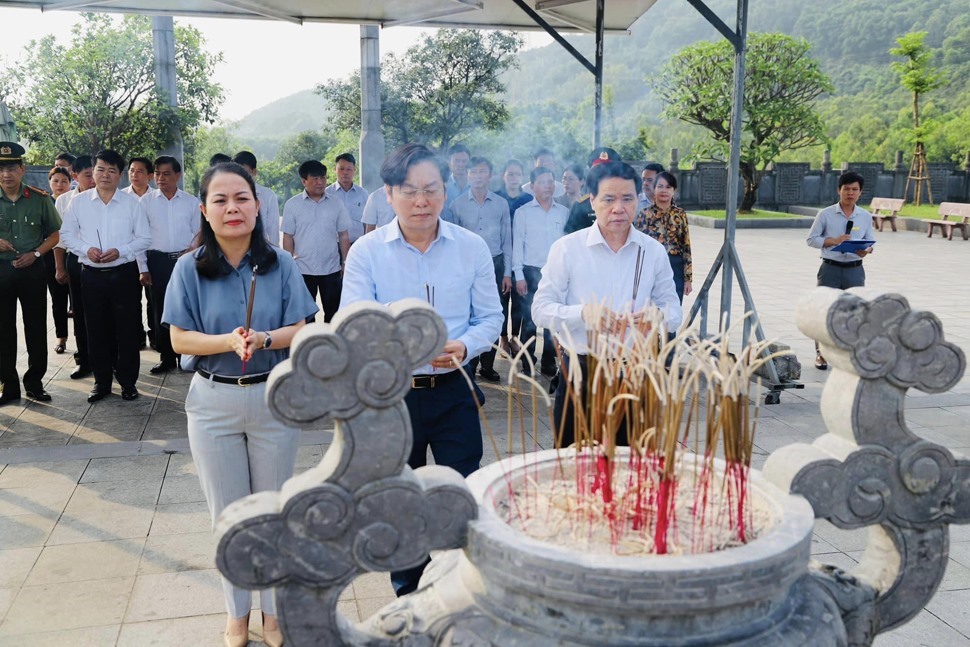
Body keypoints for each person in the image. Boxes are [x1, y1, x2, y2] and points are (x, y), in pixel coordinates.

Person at [164, 162, 317, 647]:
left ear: (257, 206)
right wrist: (227, 343)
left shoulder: (281, 263)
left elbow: (304, 326)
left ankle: (272, 611)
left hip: (274, 398)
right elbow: (178, 339)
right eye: (221, 200)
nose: (233, 208)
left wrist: (267, 336)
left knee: (272, 512)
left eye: (242, 199)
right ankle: (237, 611)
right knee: (228, 516)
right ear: (205, 211)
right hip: (212, 404)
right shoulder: (188, 268)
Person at [340, 143, 502, 596]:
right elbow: (351, 316)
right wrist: (404, 331)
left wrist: (465, 346)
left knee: (461, 493)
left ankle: (462, 591)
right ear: (388, 194)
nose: (421, 200)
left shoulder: (471, 248)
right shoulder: (367, 252)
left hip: (455, 389)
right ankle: (408, 596)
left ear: (445, 192)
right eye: (409, 190)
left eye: (431, 189)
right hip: (393, 396)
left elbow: (491, 316)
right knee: (401, 499)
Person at [532, 161, 682, 447]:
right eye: (608, 199)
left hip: (634, 373)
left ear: (638, 200)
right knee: (573, 469)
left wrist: (657, 316)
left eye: (627, 199)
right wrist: (583, 314)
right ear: (592, 200)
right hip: (581, 372)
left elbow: (673, 310)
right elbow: (540, 309)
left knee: (633, 468)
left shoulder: (653, 252)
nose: (618, 208)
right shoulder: (567, 249)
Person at [60, 150, 151, 403]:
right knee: (95, 330)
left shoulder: (132, 203)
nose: (105, 175)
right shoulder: (78, 203)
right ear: (92, 171)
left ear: (120, 175)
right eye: (100, 169)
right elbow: (66, 235)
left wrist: (120, 251)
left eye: (111, 171)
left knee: (127, 330)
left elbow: (145, 238)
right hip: (91, 275)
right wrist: (85, 250)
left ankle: (128, 382)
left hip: (123, 274)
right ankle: (101, 383)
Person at [0, 142, 62, 405]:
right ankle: (8, 386)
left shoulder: (40, 198)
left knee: (35, 327)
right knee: (2, 330)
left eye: (11, 168)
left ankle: (35, 383)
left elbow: (55, 235)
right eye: (1, 169)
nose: (6, 174)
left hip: (33, 269)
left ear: (22, 169)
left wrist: (36, 254)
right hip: (1, 270)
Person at [449, 156, 512, 382]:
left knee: (493, 312)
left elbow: (507, 241)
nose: (477, 176)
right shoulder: (456, 205)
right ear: (467, 175)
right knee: (470, 313)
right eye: (473, 172)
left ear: (490, 175)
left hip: (494, 263)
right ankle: (470, 364)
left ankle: (488, 365)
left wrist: (507, 272)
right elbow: (451, 243)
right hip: (465, 264)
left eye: (482, 171)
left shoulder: (501, 204)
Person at [138, 155, 201, 374]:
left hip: (185, 261)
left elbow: (199, 232)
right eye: (157, 174)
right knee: (161, 310)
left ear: (178, 175)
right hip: (157, 261)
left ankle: (187, 353)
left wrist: (191, 251)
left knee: (187, 306)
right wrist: (143, 268)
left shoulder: (191, 202)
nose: (160, 178)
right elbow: (140, 237)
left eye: (166, 174)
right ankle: (166, 357)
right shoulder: (145, 202)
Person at [807, 170, 874, 370]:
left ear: (860, 192)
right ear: (839, 190)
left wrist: (866, 250)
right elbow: (811, 239)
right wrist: (832, 241)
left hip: (855, 269)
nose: (850, 193)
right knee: (825, 311)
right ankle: (821, 354)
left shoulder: (865, 216)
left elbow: (869, 241)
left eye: (855, 189)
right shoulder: (826, 214)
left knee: (854, 313)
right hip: (830, 269)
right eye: (847, 189)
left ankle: (848, 354)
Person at [512, 166, 568, 377]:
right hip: (529, 270)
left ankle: (548, 361)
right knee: (529, 319)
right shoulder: (522, 213)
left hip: (555, 272)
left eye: (551, 181)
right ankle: (527, 362)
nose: (548, 186)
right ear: (533, 186)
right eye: (543, 182)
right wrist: (518, 275)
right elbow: (518, 245)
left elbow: (566, 246)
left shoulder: (563, 212)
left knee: (552, 320)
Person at [282, 160, 351, 323]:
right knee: (305, 316)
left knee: (334, 314)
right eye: (315, 179)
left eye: (323, 178)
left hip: (331, 269)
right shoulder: (293, 205)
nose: (320, 183)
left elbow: (343, 235)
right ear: (304, 181)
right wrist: (288, 264)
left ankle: (333, 345)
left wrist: (345, 262)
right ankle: (307, 345)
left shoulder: (336, 203)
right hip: (303, 269)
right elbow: (288, 237)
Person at [55, 155, 95, 379]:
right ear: (75, 176)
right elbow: (60, 239)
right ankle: (84, 360)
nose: (93, 180)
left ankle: (110, 359)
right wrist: (60, 268)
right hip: (76, 260)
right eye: (88, 175)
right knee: (79, 313)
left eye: (95, 174)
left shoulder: (104, 198)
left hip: (102, 261)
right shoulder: (64, 201)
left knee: (103, 312)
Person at [633, 171, 692, 302]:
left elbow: (686, 246)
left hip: (675, 264)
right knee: (650, 306)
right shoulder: (644, 214)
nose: (664, 190)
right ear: (654, 189)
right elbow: (636, 244)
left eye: (668, 187)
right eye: (660, 186)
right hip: (650, 264)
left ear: (674, 190)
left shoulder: (680, 214)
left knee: (674, 305)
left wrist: (688, 279)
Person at [123, 156, 156, 349]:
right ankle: (137, 335)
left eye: (140, 171)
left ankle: (154, 334)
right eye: (132, 170)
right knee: (131, 301)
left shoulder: (156, 198)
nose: (135, 175)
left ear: (150, 176)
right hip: (128, 258)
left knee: (153, 300)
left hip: (151, 256)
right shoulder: (121, 197)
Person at [563, 146, 622, 234]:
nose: (603, 175)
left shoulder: (624, 203)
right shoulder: (580, 206)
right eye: (598, 172)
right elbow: (571, 239)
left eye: (608, 172)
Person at [45, 166, 72, 355]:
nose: (59, 185)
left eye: (64, 181)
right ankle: (61, 337)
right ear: (49, 183)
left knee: (79, 301)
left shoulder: (74, 201)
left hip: (73, 255)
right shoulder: (43, 202)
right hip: (50, 256)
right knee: (58, 299)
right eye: (55, 181)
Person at [232, 151, 280, 245]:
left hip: (261, 250)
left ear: (254, 172)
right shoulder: (228, 195)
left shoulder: (268, 196)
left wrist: (274, 254)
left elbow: (273, 229)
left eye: (245, 173)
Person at [326, 152, 367, 243]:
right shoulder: (327, 194)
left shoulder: (363, 194)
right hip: (333, 246)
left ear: (354, 170)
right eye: (341, 169)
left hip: (358, 244)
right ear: (334, 169)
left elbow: (367, 223)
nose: (345, 172)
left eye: (349, 169)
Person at [444, 142, 471, 207]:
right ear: (449, 163)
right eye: (457, 161)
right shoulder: (443, 186)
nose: (461, 165)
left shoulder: (477, 185)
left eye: (464, 161)